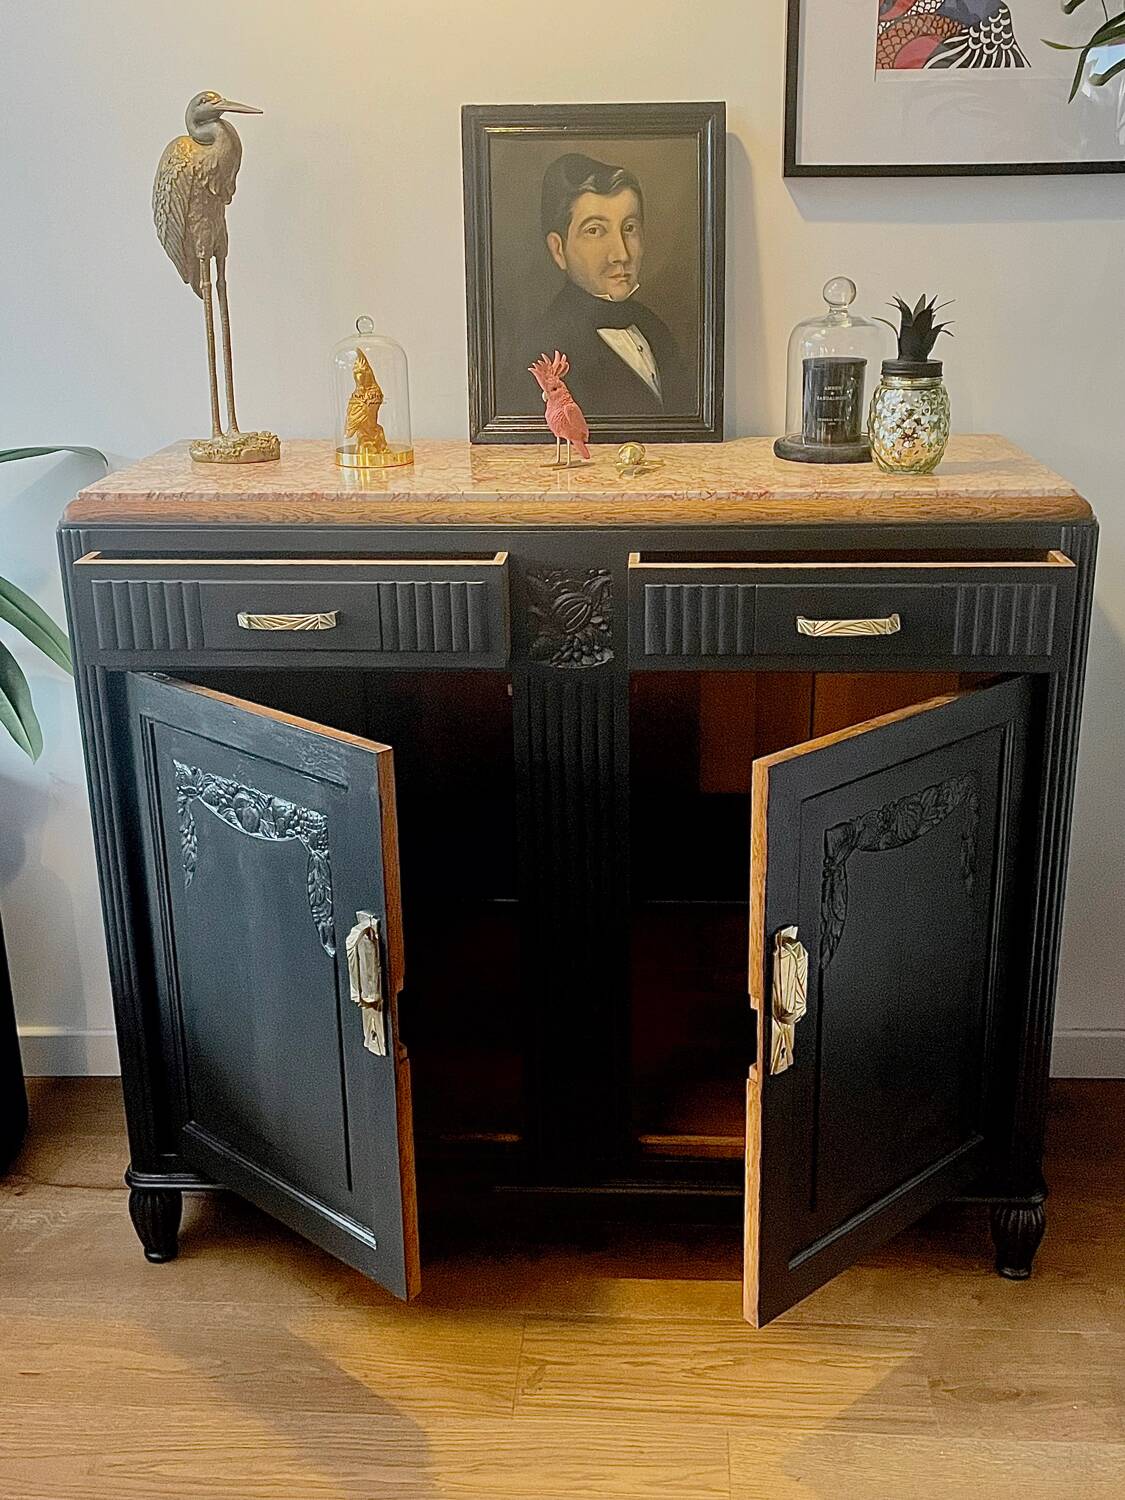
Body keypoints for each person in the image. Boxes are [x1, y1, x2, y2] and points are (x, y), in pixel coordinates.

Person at [526, 153, 693, 417]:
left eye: (629, 228)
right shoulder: (543, 348)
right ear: (559, 250)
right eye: (595, 230)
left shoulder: (654, 328)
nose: (622, 254)